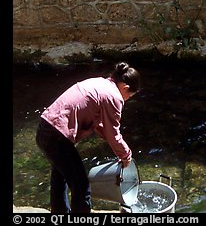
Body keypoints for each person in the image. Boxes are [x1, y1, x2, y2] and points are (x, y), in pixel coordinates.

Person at [36, 62, 141, 214]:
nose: (126, 100)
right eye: (129, 96)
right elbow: (113, 134)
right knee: (82, 186)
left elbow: (100, 126)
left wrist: (117, 148)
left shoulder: (100, 83)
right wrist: (126, 155)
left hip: (45, 129)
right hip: (57, 137)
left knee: (60, 177)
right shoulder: (115, 97)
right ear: (125, 88)